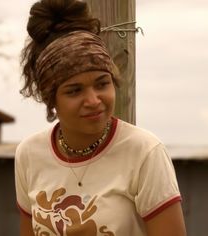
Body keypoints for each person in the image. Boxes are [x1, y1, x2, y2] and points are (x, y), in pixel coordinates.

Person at [15, 0, 187, 235]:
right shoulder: (29, 155)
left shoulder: (144, 152)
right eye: (75, 90)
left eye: (102, 84)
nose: (94, 100)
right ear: (51, 99)